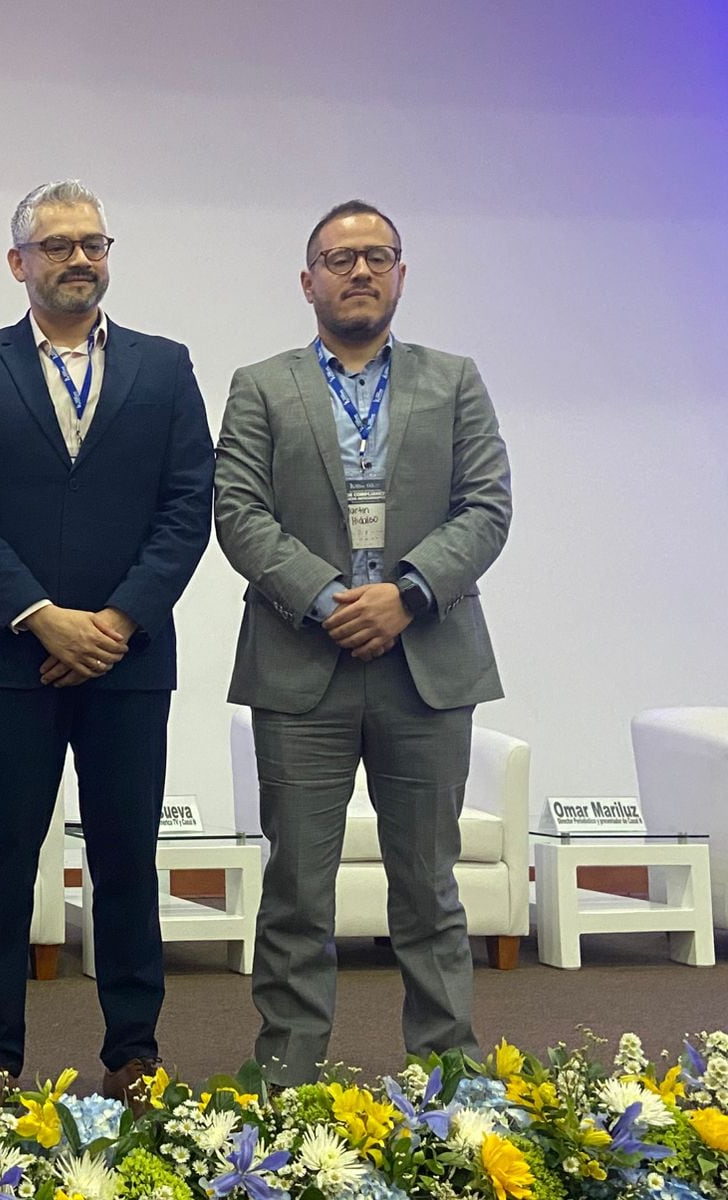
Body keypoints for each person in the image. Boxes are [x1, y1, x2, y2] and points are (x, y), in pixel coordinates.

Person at [0, 180, 213, 1111]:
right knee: (5, 856)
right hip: (12, 658)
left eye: (92, 242)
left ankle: (134, 1051)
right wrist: (41, 616)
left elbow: (186, 507)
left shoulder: (166, 367)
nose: (78, 259)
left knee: (128, 855)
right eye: (56, 246)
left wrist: (118, 623)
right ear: (19, 263)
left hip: (132, 660)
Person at [215, 200, 511, 1085]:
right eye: (338, 258)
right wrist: (327, 599)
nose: (359, 271)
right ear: (307, 282)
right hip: (302, 664)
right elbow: (237, 511)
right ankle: (288, 1078)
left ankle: (450, 1080)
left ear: (401, 275)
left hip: (427, 664)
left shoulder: (453, 379)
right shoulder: (261, 384)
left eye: (377, 255)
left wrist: (407, 595)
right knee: (298, 889)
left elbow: (487, 507)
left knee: (428, 888)